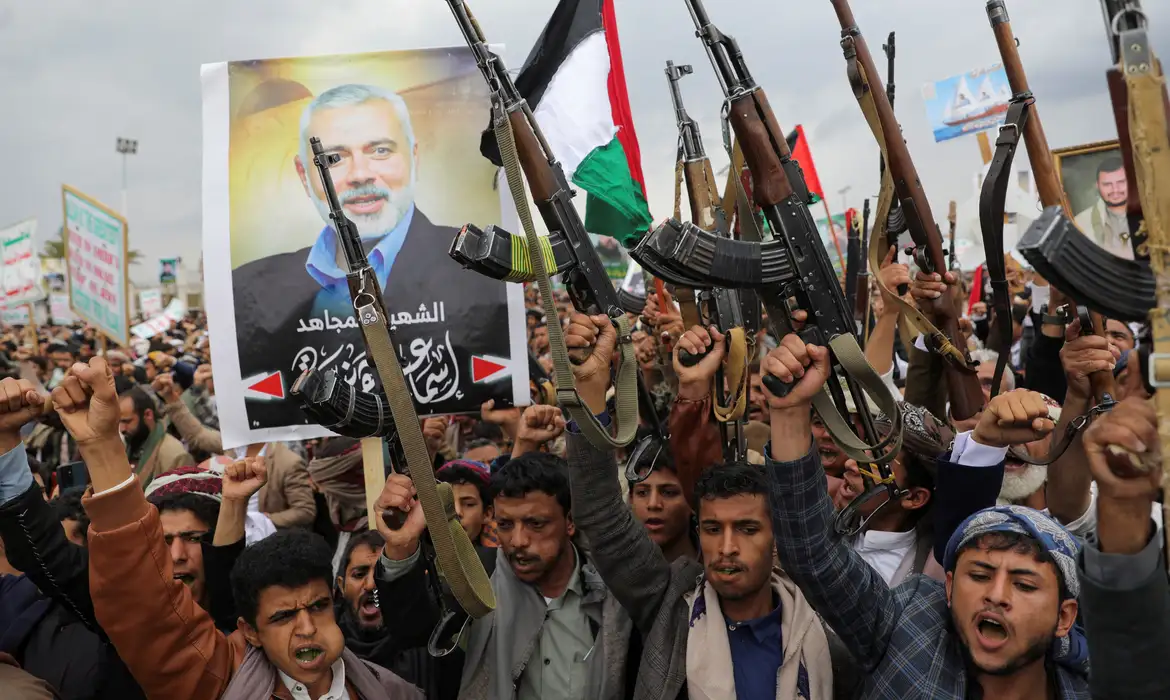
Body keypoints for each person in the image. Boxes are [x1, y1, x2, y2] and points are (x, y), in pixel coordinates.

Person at [49, 357, 423, 700]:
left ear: (336, 600)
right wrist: (102, 449)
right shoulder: (221, 682)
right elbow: (145, 608)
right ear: (250, 632)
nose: (307, 628)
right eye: (283, 616)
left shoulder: (393, 691)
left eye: (319, 606)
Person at [762, 334, 1094, 698]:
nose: (996, 596)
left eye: (1025, 584)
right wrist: (790, 412)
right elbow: (813, 552)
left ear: (1065, 616)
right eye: (979, 575)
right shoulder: (907, 629)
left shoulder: (1098, 683)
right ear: (948, 587)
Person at [560, 312, 834, 700]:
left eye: (747, 528)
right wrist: (589, 386)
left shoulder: (823, 627)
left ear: (777, 537)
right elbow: (600, 514)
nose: (726, 548)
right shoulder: (671, 608)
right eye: (712, 528)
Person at [230, 83, 513, 429]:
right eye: (333, 159)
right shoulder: (247, 291)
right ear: (304, 176)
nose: (360, 174)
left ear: (414, 157)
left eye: (380, 150)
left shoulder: (483, 268)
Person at [375, 447, 630, 700]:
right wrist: (402, 545)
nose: (518, 541)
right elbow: (413, 631)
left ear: (570, 521)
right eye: (506, 525)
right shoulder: (478, 580)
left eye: (535, 524)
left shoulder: (613, 594)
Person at [118, 385, 194, 486]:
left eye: (127, 421)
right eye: (119, 422)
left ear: (148, 415)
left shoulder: (175, 456)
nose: (122, 428)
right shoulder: (126, 444)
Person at [1073, 157, 1132, 260]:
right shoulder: (1080, 222)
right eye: (1107, 184)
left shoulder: (1154, 215)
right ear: (1097, 186)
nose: (1115, 190)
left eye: (1121, 182)